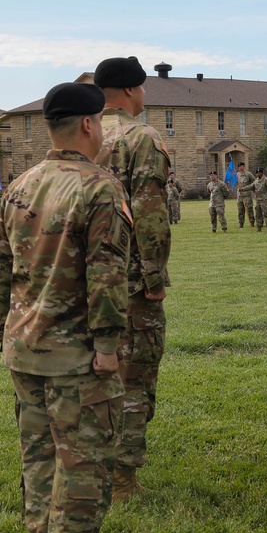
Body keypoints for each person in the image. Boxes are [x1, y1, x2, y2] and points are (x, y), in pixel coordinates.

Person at [0, 81, 131, 533]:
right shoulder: (99, 187)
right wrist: (109, 346)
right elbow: (107, 276)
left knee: (39, 457)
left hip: (24, 346)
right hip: (76, 354)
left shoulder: (19, 185)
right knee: (83, 460)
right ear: (90, 125)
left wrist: (0, 324)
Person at [93, 56, 172, 502]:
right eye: (142, 88)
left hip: (84, 278)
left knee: (92, 374)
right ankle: (122, 479)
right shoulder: (141, 137)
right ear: (128, 91)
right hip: (130, 279)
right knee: (135, 375)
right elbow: (149, 213)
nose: (144, 96)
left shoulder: (84, 134)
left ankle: (92, 461)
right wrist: (155, 275)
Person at [235, 162, 256, 228]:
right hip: (240, 196)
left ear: (244, 166)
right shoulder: (237, 175)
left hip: (247, 195)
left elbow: (254, 182)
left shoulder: (248, 174)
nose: (240, 168)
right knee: (240, 210)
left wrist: (249, 188)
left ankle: (251, 222)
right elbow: (235, 183)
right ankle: (241, 223)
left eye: (241, 166)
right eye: (238, 167)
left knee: (249, 209)